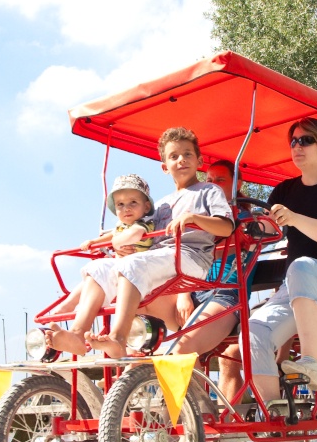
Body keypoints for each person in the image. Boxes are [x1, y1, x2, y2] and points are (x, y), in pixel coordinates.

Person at [46, 128, 233, 360]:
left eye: (187, 154)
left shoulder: (208, 191)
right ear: (165, 167)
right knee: (100, 268)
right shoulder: (162, 204)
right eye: (174, 156)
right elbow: (136, 229)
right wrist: (106, 242)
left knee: (133, 264)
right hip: (160, 257)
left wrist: (194, 218)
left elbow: (226, 227)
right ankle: (77, 332)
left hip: (190, 256)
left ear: (199, 161)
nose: (181, 160)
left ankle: (118, 338)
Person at [223, 117, 317, 406]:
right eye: (294, 141)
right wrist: (250, 227)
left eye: (306, 140)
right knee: (253, 333)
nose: (297, 146)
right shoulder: (284, 191)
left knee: (301, 266)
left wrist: (295, 218)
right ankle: (274, 419)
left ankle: (312, 362)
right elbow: (269, 230)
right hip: (298, 286)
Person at [48, 175, 155, 318]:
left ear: (146, 206)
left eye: (133, 202)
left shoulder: (143, 224)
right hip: (122, 267)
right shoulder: (121, 226)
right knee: (92, 276)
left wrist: (116, 243)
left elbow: (133, 235)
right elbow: (112, 235)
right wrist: (95, 241)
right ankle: (70, 304)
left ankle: (80, 308)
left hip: (137, 269)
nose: (126, 209)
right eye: (120, 205)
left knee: (99, 269)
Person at [174, 159, 242, 358]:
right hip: (194, 290)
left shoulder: (247, 217)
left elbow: (267, 231)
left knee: (183, 350)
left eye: (220, 180)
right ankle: (128, 371)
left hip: (226, 294)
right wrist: (183, 294)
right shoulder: (198, 216)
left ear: (237, 184)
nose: (213, 184)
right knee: (139, 310)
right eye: (209, 180)